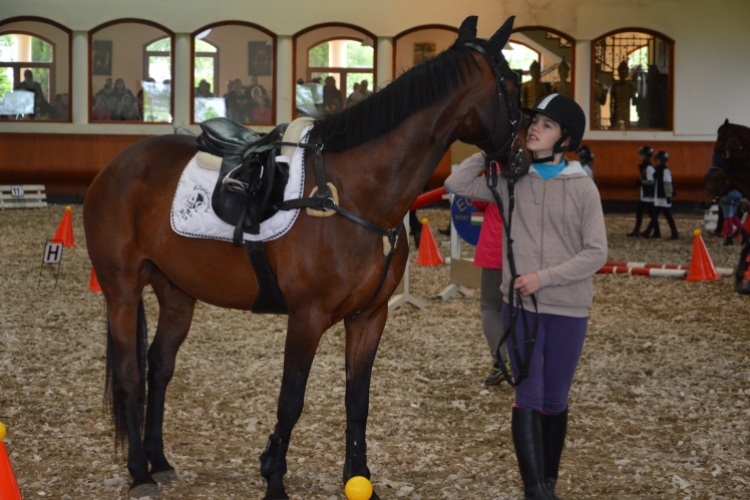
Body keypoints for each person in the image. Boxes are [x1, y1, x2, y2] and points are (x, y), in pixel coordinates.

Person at [445, 93, 607, 499]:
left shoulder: (582, 187)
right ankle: (535, 490)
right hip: (519, 307)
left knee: (555, 398)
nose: (535, 128)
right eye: (533, 121)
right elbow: (456, 183)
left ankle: (547, 483)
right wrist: (492, 147)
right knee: (528, 394)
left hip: (568, 307)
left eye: (546, 125)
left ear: (564, 138)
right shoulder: (511, 178)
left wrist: (544, 277)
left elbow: (596, 253)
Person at [471, 197, 512, 385]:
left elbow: (476, 200)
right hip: (529, 252)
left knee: (490, 306)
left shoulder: (494, 174)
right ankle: (530, 364)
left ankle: (501, 363)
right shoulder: (535, 174)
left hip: (495, 250)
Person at [719, 139, 750, 246]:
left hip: (729, 192)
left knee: (727, 216)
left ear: (732, 152)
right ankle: (744, 233)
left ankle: (729, 237)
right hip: (739, 193)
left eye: (728, 151)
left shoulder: (729, 164)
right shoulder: (744, 162)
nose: (726, 153)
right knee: (731, 215)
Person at [642, 151, 679, 239]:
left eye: (658, 160)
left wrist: (668, 195)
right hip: (658, 196)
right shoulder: (658, 170)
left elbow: (667, 183)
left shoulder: (665, 170)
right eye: (656, 159)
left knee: (658, 215)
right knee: (664, 215)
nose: (656, 161)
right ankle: (670, 233)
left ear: (663, 160)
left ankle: (649, 232)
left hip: (663, 197)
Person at [627, 146, 655, 237]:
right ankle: (637, 230)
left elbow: (651, 181)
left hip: (648, 196)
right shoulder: (645, 167)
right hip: (645, 195)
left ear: (646, 156)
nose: (640, 157)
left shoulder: (649, 168)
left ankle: (654, 231)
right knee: (640, 211)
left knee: (650, 214)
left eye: (642, 155)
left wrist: (641, 182)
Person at [610, 60, 635, 129]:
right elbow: (634, 102)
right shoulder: (630, 86)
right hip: (623, 115)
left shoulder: (615, 86)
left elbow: (611, 103)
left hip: (619, 115)